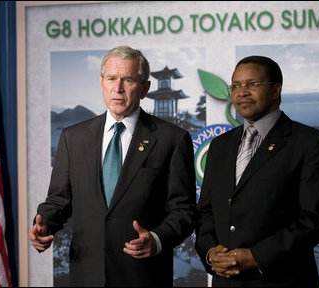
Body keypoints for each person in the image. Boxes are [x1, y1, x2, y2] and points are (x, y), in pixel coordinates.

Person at [29, 46, 196, 287]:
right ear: (101, 83)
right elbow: (58, 200)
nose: (117, 88)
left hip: (143, 275)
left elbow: (184, 210)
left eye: (127, 79)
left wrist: (158, 239)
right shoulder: (73, 138)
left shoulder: (172, 139)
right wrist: (44, 223)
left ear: (145, 88)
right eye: (111, 78)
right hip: (87, 274)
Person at [195, 55, 319, 287]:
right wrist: (211, 253)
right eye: (236, 86)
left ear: (276, 90)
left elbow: (315, 219)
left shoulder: (309, 142)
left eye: (252, 84)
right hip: (226, 280)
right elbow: (206, 211)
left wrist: (256, 257)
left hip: (282, 279)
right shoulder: (220, 145)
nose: (242, 92)